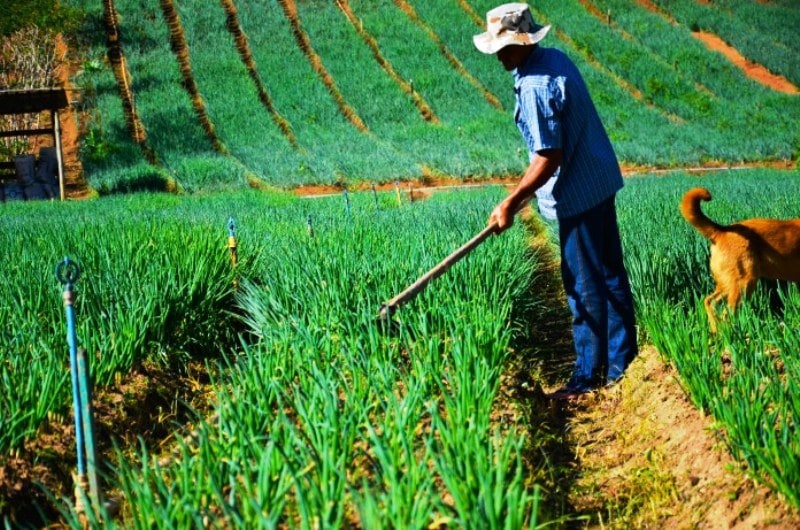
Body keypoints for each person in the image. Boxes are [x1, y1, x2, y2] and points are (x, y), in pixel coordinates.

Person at [473, 3, 638, 399]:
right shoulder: (554, 58)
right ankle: (621, 366)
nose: (500, 55)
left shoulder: (533, 84)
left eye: (505, 47)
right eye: (497, 48)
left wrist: (511, 202)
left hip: (577, 194)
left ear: (523, 43)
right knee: (610, 275)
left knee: (583, 286)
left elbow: (549, 156)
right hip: (598, 179)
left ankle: (587, 376)